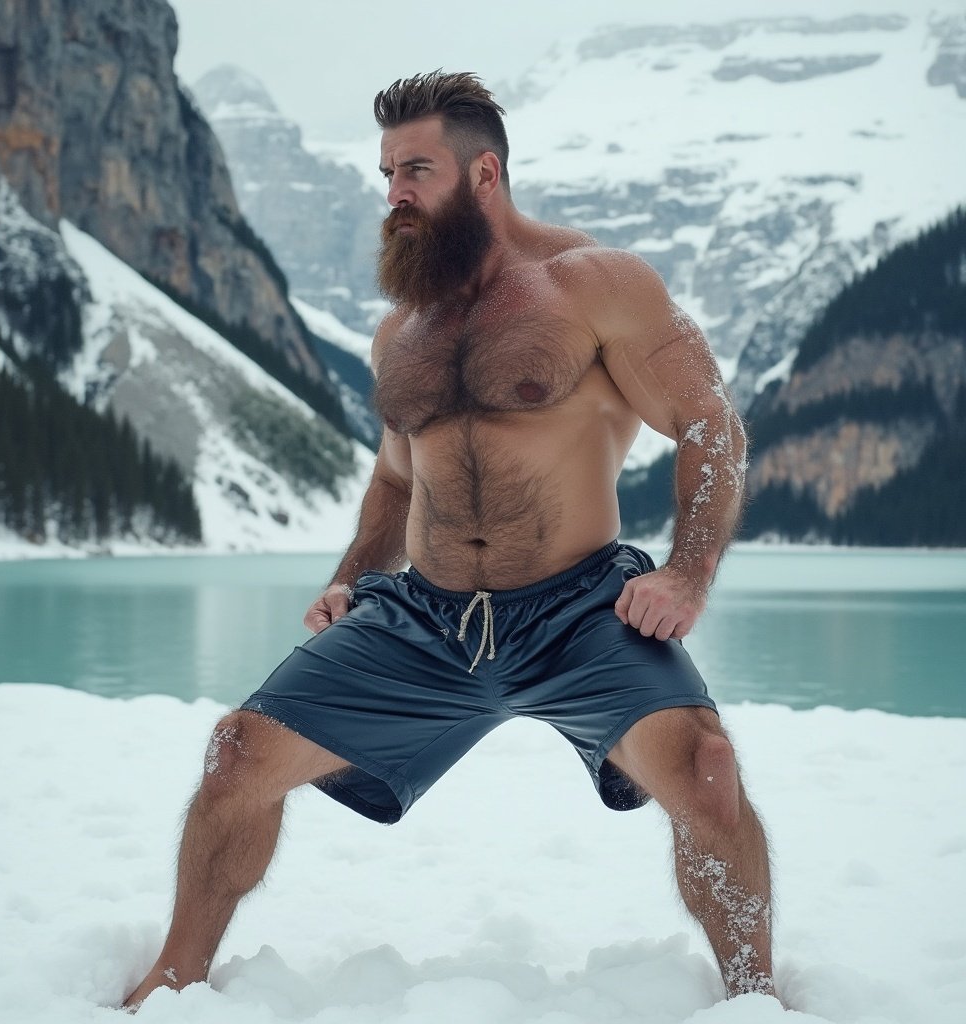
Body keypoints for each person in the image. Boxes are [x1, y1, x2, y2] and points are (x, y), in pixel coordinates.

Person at [124, 70, 775, 1009]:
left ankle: (755, 997)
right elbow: (398, 477)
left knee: (707, 773)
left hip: (580, 609)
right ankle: (173, 981)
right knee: (236, 758)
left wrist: (688, 571)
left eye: (415, 170)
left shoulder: (595, 286)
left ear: (484, 175)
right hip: (421, 618)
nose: (394, 194)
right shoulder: (404, 333)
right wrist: (353, 578)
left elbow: (712, 423)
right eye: (386, 172)